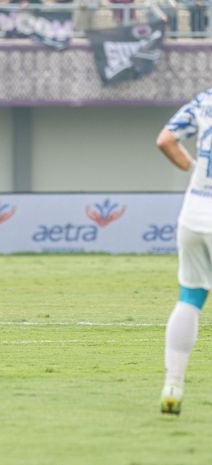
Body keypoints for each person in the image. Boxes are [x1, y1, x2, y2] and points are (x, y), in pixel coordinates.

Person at [156, 88, 212, 414]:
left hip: (195, 211)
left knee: (190, 298)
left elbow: (165, 140)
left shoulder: (205, 100)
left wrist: (195, 171)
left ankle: (173, 385)